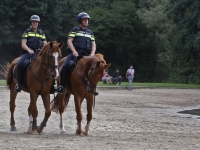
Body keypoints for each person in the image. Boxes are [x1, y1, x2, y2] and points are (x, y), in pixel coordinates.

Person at [57, 12, 97, 95]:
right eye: (84, 20)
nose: (86, 21)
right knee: (65, 66)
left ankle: (93, 88)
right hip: (75, 53)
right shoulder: (74, 30)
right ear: (80, 21)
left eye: (87, 20)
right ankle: (61, 86)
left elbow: (93, 44)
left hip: (87, 54)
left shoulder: (90, 32)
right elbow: (69, 41)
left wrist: (92, 54)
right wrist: (74, 51)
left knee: (95, 68)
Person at [15, 15, 47, 92]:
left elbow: (45, 44)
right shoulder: (27, 32)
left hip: (38, 53)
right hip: (28, 53)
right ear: (31, 23)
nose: (35, 23)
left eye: (36, 22)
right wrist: (29, 50)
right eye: (33, 22)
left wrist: (44, 50)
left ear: (38, 23)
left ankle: (51, 85)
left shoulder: (41, 32)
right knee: (20, 64)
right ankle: (19, 84)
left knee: (49, 65)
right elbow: (23, 44)